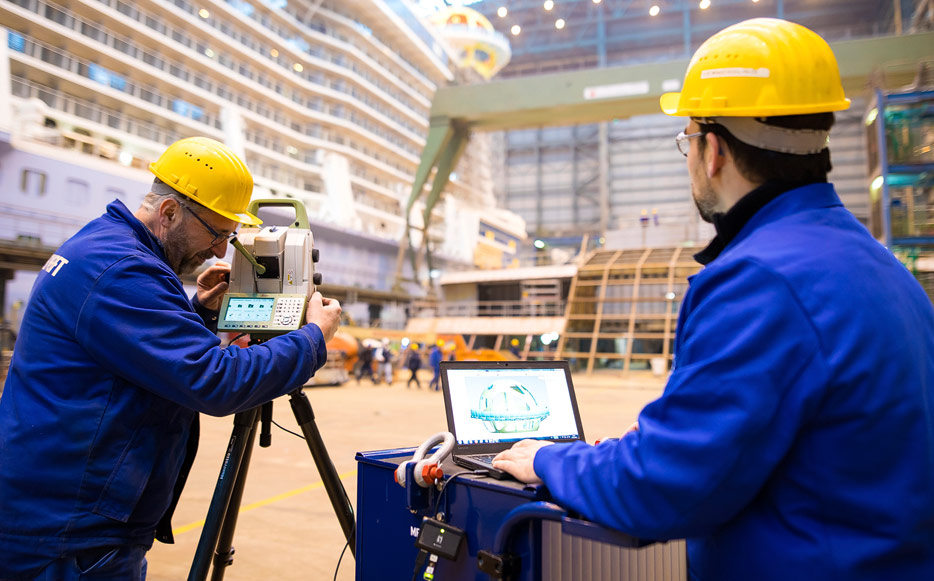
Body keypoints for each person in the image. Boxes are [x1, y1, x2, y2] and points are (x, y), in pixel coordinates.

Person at [493, 18, 934, 580]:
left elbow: (661, 489)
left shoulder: (758, 280)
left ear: (715, 150)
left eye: (687, 141)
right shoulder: (881, 267)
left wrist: (548, 458)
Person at [0, 136, 342, 580]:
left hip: (58, 512)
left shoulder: (105, 245)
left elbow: (135, 358)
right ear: (169, 212)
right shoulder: (123, 270)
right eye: (217, 234)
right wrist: (314, 337)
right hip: (67, 531)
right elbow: (215, 382)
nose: (221, 251)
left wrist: (196, 311)